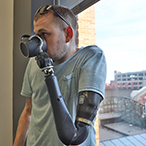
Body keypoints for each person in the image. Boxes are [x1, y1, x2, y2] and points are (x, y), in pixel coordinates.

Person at [13, 5, 107, 146]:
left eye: (44, 34)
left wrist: (48, 71)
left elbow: (76, 134)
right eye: (37, 35)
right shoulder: (33, 62)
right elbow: (28, 111)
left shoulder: (90, 57)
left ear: (68, 34)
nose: (39, 42)